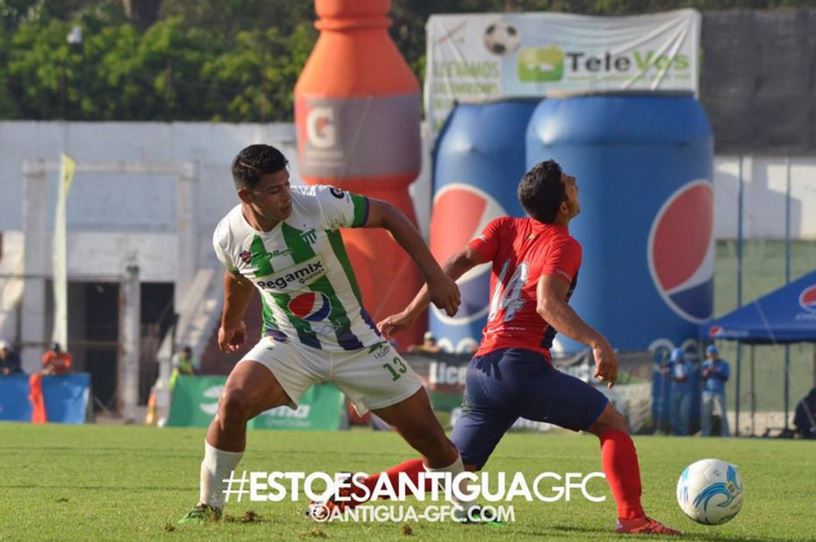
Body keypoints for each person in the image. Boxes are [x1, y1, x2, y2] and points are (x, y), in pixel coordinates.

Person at [324, 160, 680, 535]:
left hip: (484, 369)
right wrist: (597, 341)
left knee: (453, 465)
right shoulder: (564, 244)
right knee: (611, 423)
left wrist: (410, 313)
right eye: (567, 181)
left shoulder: (504, 227)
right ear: (562, 206)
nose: (574, 180)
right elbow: (547, 304)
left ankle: (354, 491)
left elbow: (457, 262)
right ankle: (632, 518)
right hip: (520, 368)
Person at [179, 144, 465, 523]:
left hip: (358, 343)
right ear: (246, 196)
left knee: (431, 437)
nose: (286, 195)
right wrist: (230, 322)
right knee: (232, 402)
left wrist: (436, 276)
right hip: (289, 342)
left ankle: (468, 509)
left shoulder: (317, 203)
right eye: (274, 190)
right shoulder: (228, 236)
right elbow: (238, 277)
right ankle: (209, 507)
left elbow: (390, 215)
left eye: (287, 183)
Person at [701, 345, 730, 437]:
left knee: (722, 415)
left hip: (719, 392)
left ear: (716, 354)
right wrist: (707, 372)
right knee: (706, 415)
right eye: (709, 355)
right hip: (707, 393)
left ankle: (725, 434)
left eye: (713, 354)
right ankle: (705, 434)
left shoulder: (723, 364)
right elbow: (702, 377)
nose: (711, 356)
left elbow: (725, 377)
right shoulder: (705, 364)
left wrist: (715, 371)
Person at [669, 347, 691, 436]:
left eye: (677, 359)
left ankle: (684, 432)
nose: (676, 361)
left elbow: (684, 378)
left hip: (686, 392)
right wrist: (665, 369)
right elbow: (664, 367)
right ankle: (675, 432)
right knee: (674, 412)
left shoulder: (688, 365)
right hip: (674, 391)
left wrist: (672, 378)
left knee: (684, 413)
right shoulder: (673, 364)